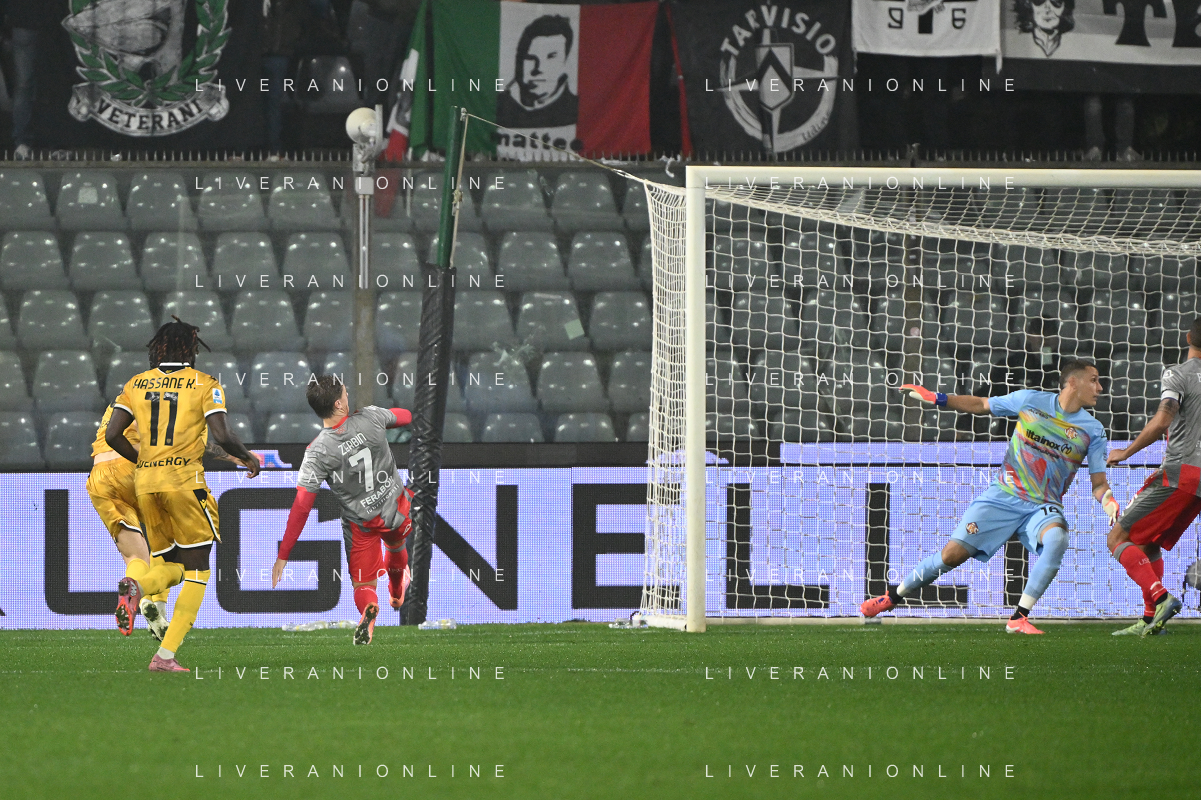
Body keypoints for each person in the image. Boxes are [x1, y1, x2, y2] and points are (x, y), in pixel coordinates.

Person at [861, 360, 1119, 633]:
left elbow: (1098, 483)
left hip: (1043, 506)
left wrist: (1108, 501)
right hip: (1002, 496)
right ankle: (893, 596)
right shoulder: (1031, 401)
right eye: (1094, 380)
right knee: (950, 556)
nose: (1100, 388)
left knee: (1057, 538)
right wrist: (937, 398)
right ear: (1073, 382)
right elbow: (982, 404)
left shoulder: (1093, 430)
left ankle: (1019, 617)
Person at [106, 318, 260, 672]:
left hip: (147, 484)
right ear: (191, 348)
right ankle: (165, 656)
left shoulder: (135, 384)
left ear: (158, 348)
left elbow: (114, 435)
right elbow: (222, 435)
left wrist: (144, 461)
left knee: (170, 565)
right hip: (184, 482)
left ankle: (137, 586)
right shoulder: (205, 384)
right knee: (198, 570)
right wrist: (248, 456)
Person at [272, 375, 413, 646]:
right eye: (345, 393)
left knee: (363, 586)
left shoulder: (317, 452)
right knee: (396, 548)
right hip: (395, 509)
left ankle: (370, 607)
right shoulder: (370, 417)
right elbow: (405, 416)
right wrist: (385, 415)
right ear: (338, 403)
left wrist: (283, 555)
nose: (348, 396)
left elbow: (302, 506)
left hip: (362, 523)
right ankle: (396, 592)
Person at [1103, 321, 1200, 636]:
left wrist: (1126, 451)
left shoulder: (1178, 374)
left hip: (1180, 473)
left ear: (1188, 337)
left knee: (1118, 538)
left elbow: (1162, 419)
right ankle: (1150, 621)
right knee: (1148, 542)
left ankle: (1161, 598)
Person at [87, 401, 171, 641]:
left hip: (99, 476)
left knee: (136, 557)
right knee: (167, 539)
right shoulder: (160, 394)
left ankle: (141, 601)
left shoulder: (120, 399)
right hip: (132, 465)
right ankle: (160, 609)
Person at [496, 14, 578, 129]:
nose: (539, 68)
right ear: (519, 61)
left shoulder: (576, 111)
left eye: (551, 57)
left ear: (566, 62)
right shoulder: (497, 107)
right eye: (530, 58)